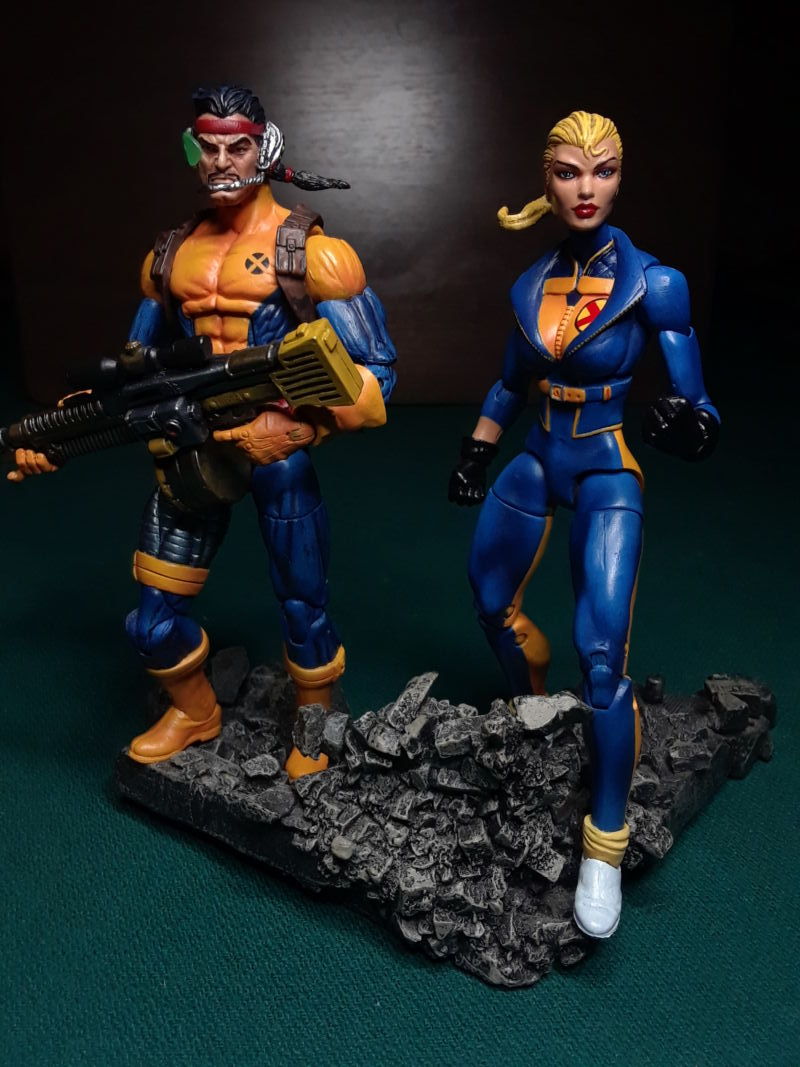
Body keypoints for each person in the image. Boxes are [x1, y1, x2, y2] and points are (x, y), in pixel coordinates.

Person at [10, 84, 396, 780]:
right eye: (207, 148)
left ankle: (315, 723)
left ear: (265, 148)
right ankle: (195, 711)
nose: (221, 163)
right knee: (151, 621)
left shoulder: (312, 254)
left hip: (277, 449)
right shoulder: (170, 257)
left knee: (303, 604)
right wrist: (58, 436)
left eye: (237, 147)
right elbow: (132, 372)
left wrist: (303, 430)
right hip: (194, 450)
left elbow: (377, 376)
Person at [448, 110, 718, 938]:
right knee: (488, 595)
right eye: (569, 171)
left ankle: (604, 840)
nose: (586, 187)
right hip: (539, 453)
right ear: (547, 181)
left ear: (620, 177)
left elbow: (697, 400)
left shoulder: (654, 283)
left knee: (602, 654)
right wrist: (477, 449)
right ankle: (532, 707)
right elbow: (508, 382)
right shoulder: (531, 284)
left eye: (602, 171)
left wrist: (693, 426)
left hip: (605, 462)